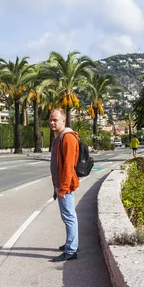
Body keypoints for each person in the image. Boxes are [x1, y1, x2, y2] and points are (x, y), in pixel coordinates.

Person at [49, 108, 79, 262]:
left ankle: (71, 250)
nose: (52, 123)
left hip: (64, 185)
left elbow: (68, 166)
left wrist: (63, 187)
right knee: (68, 216)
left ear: (63, 121)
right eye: (51, 120)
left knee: (68, 217)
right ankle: (71, 243)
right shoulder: (60, 137)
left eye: (55, 120)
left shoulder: (67, 138)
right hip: (60, 184)